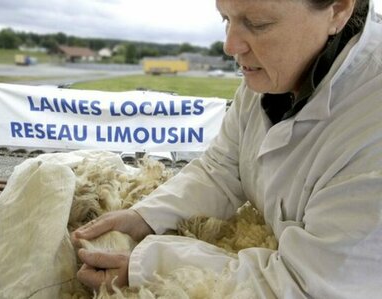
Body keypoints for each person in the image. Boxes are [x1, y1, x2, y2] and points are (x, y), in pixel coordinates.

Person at [72, 0, 382, 297]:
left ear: (338, 9)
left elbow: (310, 287)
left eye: (258, 23)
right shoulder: (275, 73)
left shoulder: (371, 125)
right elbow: (221, 168)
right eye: (226, 19)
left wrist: (149, 265)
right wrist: (145, 216)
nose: (230, 46)